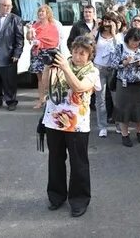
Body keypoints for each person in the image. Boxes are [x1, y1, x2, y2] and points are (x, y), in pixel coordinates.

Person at [42, 35, 100, 217]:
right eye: (75, 52)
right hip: (54, 121)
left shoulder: (92, 72)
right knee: (55, 159)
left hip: (77, 124)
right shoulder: (61, 64)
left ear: (90, 55)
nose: (77, 56)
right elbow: (46, 86)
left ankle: (79, 200)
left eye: (82, 53)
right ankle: (56, 196)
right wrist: (47, 67)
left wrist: (65, 68)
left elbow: (79, 87)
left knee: (78, 163)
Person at [109, 27, 140, 147]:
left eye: (137, 41)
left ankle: (139, 132)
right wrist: (124, 63)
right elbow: (113, 63)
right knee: (124, 109)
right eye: (132, 40)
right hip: (124, 84)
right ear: (128, 38)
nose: (134, 43)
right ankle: (125, 135)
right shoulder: (120, 47)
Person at [26, 5, 60, 109]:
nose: (41, 13)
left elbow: (54, 41)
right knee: (40, 78)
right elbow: (29, 38)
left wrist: (40, 42)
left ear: (48, 14)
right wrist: (29, 30)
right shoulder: (35, 25)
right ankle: (41, 100)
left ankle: (51, 100)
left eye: (43, 12)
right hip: (37, 53)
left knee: (50, 79)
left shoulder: (53, 26)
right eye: (40, 11)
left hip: (48, 54)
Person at [92, 12, 118, 138]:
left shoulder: (117, 36)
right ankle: (102, 126)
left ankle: (119, 125)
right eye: (105, 21)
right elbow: (87, 41)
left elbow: (119, 49)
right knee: (100, 99)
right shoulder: (97, 34)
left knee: (116, 98)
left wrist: (113, 33)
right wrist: (96, 27)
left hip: (112, 69)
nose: (107, 24)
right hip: (98, 68)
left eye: (110, 21)